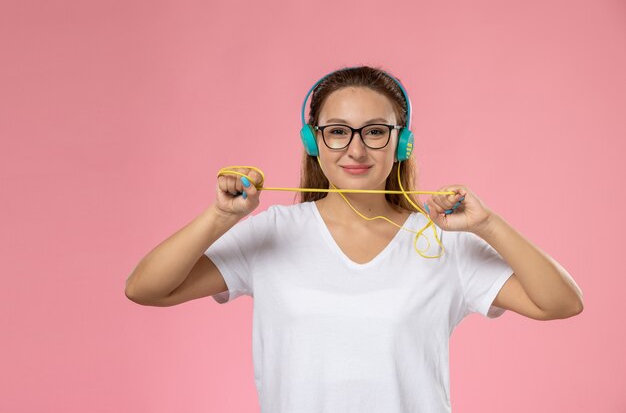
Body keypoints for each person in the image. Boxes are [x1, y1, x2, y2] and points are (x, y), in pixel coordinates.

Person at [125, 66, 584, 413]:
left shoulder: (443, 240)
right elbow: (146, 288)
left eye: (376, 132)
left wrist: (488, 226)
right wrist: (220, 217)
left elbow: (561, 303)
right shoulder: (274, 233)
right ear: (313, 141)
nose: (357, 150)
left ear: (402, 143)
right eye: (338, 132)